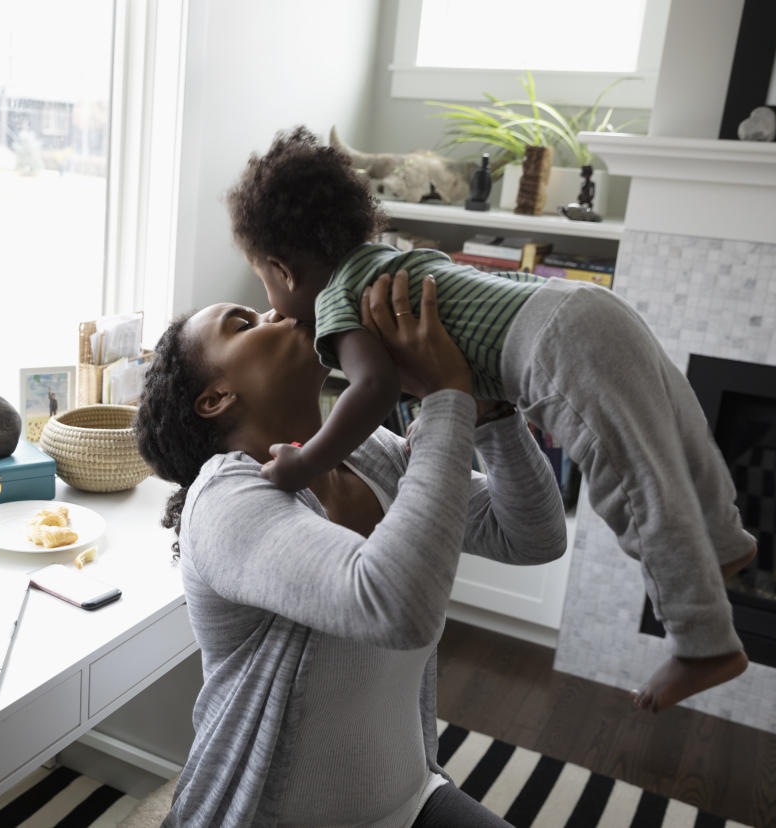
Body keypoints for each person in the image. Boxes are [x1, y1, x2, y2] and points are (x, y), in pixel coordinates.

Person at [226, 125, 755, 714]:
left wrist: (306, 460)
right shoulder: (389, 261)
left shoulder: (336, 301)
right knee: (678, 438)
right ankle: (725, 541)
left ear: (283, 268)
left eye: (263, 285)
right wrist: (471, 399)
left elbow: (371, 388)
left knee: (636, 485)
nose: (270, 305)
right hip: (581, 305)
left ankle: (702, 641)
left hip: (555, 346)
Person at [134, 271, 568, 826]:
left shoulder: (370, 451)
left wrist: (489, 414)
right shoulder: (224, 500)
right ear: (215, 398)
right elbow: (396, 606)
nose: (275, 313)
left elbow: (532, 535)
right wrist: (444, 400)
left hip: (411, 800)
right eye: (245, 323)